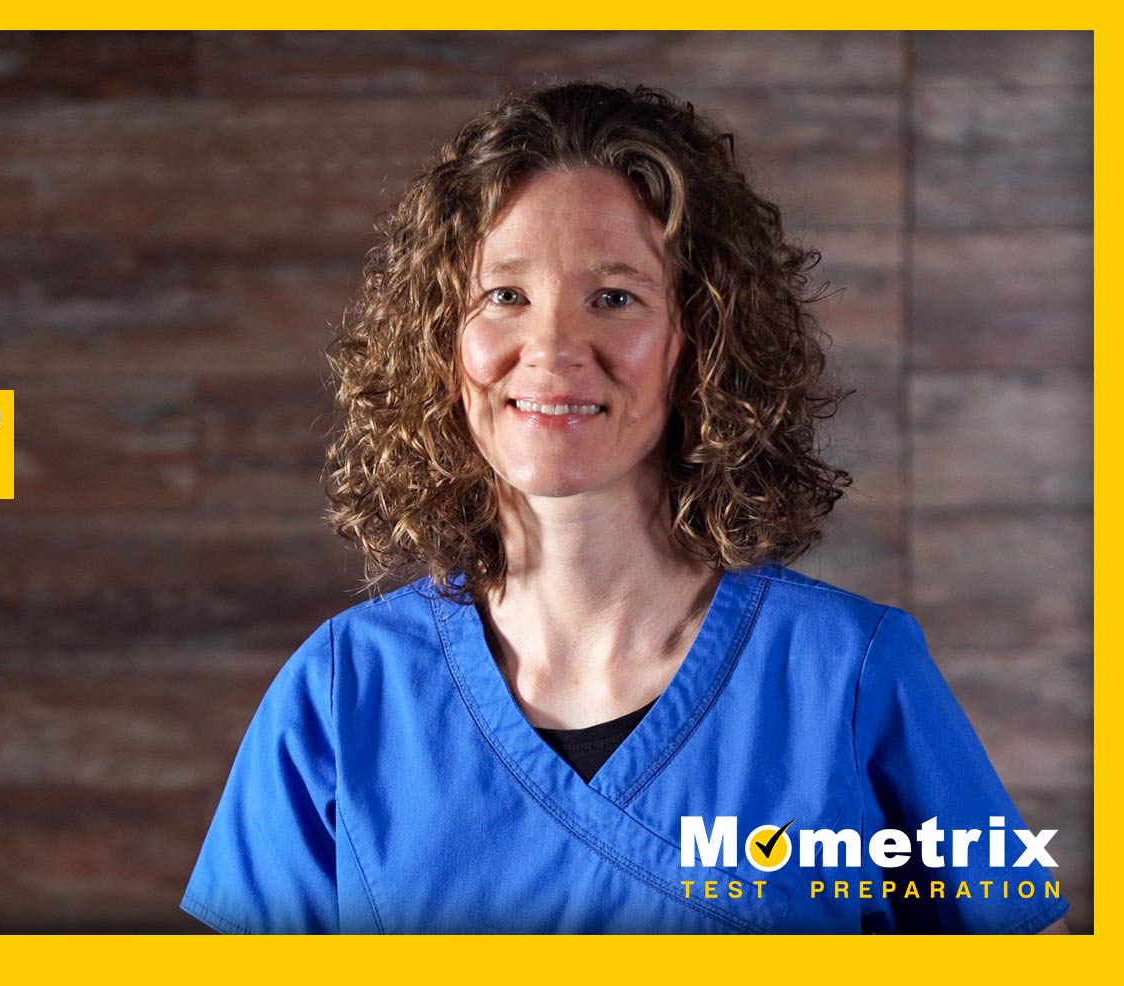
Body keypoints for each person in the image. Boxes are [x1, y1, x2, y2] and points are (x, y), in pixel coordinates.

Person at [181, 82, 1069, 934]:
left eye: (614, 298)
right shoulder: (343, 692)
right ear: (439, 341)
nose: (555, 349)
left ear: (703, 340)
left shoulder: (850, 675)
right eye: (504, 296)